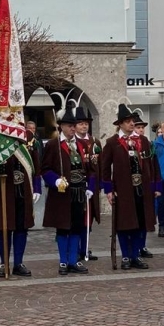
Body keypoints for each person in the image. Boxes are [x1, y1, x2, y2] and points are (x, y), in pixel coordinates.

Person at [100, 104, 158, 270]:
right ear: (120, 124)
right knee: (125, 224)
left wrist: (154, 186)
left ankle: (135, 255)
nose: (132, 124)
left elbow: (150, 165)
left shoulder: (143, 141)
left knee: (141, 223)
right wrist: (109, 190)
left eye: (132, 121)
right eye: (127, 121)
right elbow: (105, 169)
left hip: (142, 188)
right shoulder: (112, 142)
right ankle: (125, 255)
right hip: (123, 190)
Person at [41, 104, 91, 274]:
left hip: (79, 193)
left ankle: (73, 260)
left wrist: (90, 187)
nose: (72, 128)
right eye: (69, 126)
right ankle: (63, 261)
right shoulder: (53, 145)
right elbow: (45, 169)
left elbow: (89, 168)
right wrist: (54, 181)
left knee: (77, 226)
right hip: (62, 193)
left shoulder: (82, 145)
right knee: (63, 227)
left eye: (74, 125)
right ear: (61, 126)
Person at [0, 133, 39, 278]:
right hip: (6, 189)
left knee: (22, 227)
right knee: (4, 228)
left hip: (24, 190)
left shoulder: (29, 137)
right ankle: (3, 263)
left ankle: (18, 263)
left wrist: (37, 188)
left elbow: (36, 166)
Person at [73, 105, 101, 262]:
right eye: (81, 123)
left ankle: (85, 248)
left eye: (86, 123)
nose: (84, 126)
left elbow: (100, 163)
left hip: (91, 185)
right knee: (77, 218)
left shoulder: (94, 142)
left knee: (88, 219)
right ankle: (76, 249)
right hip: (77, 186)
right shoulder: (73, 142)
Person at [133, 113, 155, 258]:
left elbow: (152, 164)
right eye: (138, 127)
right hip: (131, 185)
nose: (141, 130)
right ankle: (133, 247)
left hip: (145, 184)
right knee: (133, 218)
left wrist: (155, 185)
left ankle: (142, 245)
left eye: (142, 127)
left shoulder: (146, 141)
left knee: (144, 217)